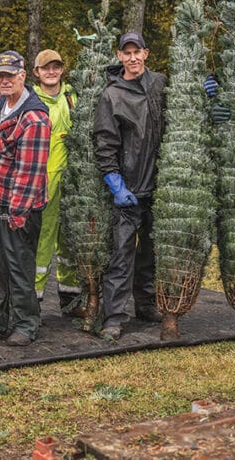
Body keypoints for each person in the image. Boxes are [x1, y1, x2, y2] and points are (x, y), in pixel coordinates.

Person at [0, 50, 51, 347]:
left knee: (18, 265)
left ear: (22, 75)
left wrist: (18, 212)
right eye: (0, 75)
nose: (5, 80)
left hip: (17, 206)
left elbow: (30, 171)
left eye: (10, 75)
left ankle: (26, 323)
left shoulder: (34, 117)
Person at [93, 32, 166, 340]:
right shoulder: (113, 95)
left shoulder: (160, 84)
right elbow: (105, 141)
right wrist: (114, 181)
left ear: (146, 54)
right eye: (128, 52)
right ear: (119, 56)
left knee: (150, 252)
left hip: (159, 185)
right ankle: (113, 317)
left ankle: (146, 304)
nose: (133, 57)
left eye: (138, 52)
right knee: (121, 254)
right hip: (129, 188)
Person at [31, 48, 81, 313]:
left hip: (71, 182)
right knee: (42, 243)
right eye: (45, 68)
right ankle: (34, 303)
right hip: (42, 182)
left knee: (69, 244)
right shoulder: (31, 100)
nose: (51, 72)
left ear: (62, 69)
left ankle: (71, 299)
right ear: (36, 72)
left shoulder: (73, 96)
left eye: (56, 67)